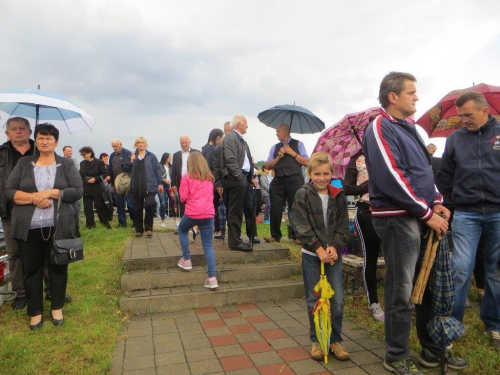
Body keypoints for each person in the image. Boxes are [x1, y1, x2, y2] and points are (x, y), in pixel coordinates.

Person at [363, 72, 467, 374]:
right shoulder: (380, 127)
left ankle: (431, 351)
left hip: (422, 216)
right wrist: (427, 213)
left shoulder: (408, 128)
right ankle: (395, 355)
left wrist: (437, 201)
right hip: (398, 220)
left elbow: (424, 173)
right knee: (402, 290)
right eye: (411, 92)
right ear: (392, 97)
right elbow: (391, 177)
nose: (417, 97)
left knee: (429, 288)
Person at [438, 91, 500, 351]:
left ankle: (494, 324)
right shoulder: (455, 139)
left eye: (467, 115)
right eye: (460, 115)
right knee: (460, 267)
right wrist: (452, 204)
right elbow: (445, 175)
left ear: (484, 110)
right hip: (466, 213)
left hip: (499, 211)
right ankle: (453, 323)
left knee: (496, 270)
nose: (463, 120)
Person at [6, 123, 83, 330]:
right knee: (31, 269)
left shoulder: (66, 165)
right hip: (28, 227)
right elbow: (10, 191)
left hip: (58, 226)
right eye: (41, 137)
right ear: (36, 140)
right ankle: (35, 312)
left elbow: (76, 191)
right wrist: (34, 198)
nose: (45, 141)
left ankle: (56, 307)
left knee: (58, 267)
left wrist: (49, 193)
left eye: (49, 138)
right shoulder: (24, 164)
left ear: (56, 142)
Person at [290, 151, 350, 362]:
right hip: (312, 255)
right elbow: (300, 225)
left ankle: (335, 339)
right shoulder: (302, 194)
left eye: (326, 173)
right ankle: (316, 339)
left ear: (331, 173)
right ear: (309, 173)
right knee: (314, 300)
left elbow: (343, 225)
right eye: (317, 174)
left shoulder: (338, 194)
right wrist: (318, 249)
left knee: (337, 300)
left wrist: (335, 246)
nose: (322, 178)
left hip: (332, 255)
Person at [343, 150, 384, 321]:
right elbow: (347, 189)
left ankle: (401, 300)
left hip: (391, 210)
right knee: (371, 258)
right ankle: (373, 302)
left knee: (396, 257)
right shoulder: (356, 159)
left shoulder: (390, 153)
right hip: (367, 211)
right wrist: (371, 184)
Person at [0, 117, 36, 310]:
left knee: (43, 252)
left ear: (30, 132)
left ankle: (46, 290)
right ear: (7, 133)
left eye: (22, 128)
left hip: (38, 208)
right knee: (14, 253)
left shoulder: (40, 151)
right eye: (14, 129)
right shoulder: (1, 153)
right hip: (10, 210)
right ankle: (20, 294)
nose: (18, 132)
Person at [176, 151, 218, 289]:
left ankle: (186, 259)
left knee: (182, 230)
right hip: (208, 215)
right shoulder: (209, 178)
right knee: (208, 246)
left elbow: (182, 197)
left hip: (192, 213)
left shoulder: (186, 178)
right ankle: (212, 278)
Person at [264, 123, 309, 243]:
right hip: (278, 179)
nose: (276, 133)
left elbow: (307, 162)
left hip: (295, 179)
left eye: (278, 131)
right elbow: (268, 166)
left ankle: (297, 235)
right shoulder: (274, 148)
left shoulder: (298, 144)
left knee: (296, 207)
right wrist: (278, 157)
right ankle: (275, 235)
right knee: (275, 207)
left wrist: (292, 153)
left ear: (285, 132)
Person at [220, 115, 256, 252]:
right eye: (246, 123)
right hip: (236, 179)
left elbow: (244, 161)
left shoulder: (239, 139)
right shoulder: (231, 138)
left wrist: (249, 177)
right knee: (235, 211)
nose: (247, 125)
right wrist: (239, 176)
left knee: (241, 210)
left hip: (242, 179)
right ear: (239, 124)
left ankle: (238, 239)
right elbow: (230, 160)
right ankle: (235, 242)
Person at [123, 137, 163, 238]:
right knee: (138, 208)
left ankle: (149, 228)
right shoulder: (132, 156)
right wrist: (131, 161)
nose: (141, 144)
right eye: (138, 143)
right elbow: (125, 168)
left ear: (145, 144)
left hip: (150, 186)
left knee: (149, 205)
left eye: (142, 142)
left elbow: (158, 170)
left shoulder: (151, 156)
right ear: (136, 145)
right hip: (136, 186)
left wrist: (160, 183)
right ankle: (139, 229)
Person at [79, 146, 111, 229]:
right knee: (87, 208)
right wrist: (84, 179)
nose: (83, 156)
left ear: (90, 153)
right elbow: (80, 174)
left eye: (84, 154)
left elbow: (105, 173)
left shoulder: (99, 162)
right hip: (86, 188)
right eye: (81, 155)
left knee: (100, 206)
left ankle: (105, 224)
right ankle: (90, 225)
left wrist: (95, 179)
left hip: (96, 187)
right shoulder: (82, 163)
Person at [202, 129, 225, 238]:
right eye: (222, 137)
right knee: (215, 207)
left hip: (205, 182)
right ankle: (217, 230)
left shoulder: (205, 149)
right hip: (213, 182)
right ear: (217, 138)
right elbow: (213, 168)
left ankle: (209, 229)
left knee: (211, 206)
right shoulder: (213, 150)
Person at [109, 139, 135, 228]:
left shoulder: (127, 153)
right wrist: (112, 184)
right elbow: (110, 170)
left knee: (131, 203)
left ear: (120, 144)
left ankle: (135, 222)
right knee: (119, 204)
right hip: (116, 183)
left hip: (127, 183)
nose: (114, 148)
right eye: (112, 146)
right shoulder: (112, 155)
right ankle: (122, 223)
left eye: (115, 146)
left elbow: (130, 166)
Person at [171, 136, 198, 219]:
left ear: (190, 142)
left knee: (194, 203)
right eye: (182, 142)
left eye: (185, 142)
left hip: (194, 183)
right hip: (181, 183)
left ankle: (195, 225)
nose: (184, 144)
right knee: (182, 204)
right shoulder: (176, 155)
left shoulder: (196, 153)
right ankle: (184, 225)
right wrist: (174, 184)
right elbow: (174, 170)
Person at [157, 153, 173, 228]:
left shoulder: (172, 167)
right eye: (170, 157)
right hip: (162, 186)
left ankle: (176, 219)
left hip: (170, 186)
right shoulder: (159, 166)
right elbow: (157, 175)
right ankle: (163, 220)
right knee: (163, 203)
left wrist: (171, 180)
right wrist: (163, 180)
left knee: (173, 201)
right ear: (166, 158)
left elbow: (174, 175)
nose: (171, 158)